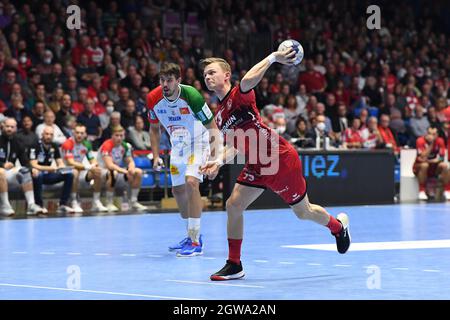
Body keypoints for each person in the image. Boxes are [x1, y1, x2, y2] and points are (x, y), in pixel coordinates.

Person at [199, 52, 350, 281]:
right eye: (205, 75)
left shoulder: (240, 95)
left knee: (303, 212)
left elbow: (249, 79)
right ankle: (234, 263)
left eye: (212, 72)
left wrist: (273, 57)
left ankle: (337, 227)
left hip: (280, 161)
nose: (207, 77)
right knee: (233, 205)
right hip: (257, 165)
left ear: (226, 75)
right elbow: (238, 146)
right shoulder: (219, 115)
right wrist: (219, 161)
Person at [147, 62, 222, 257]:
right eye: (162, 80)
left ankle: (195, 240)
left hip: (199, 140)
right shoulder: (153, 98)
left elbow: (213, 126)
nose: (165, 84)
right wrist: (155, 156)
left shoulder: (192, 96)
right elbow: (154, 130)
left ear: (178, 81)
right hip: (178, 146)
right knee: (178, 191)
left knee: (191, 182)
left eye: (169, 80)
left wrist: (215, 158)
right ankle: (190, 233)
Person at [0, 118, 46, 216]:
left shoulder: (17, 142)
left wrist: (32, 168)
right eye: (7, 126)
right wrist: (2, 165)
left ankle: (31, 205)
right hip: (1, 171)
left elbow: (24, 160)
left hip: (8, 174)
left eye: (12, 127)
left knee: (25, 171)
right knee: (1, 171)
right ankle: (4, 206)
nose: (9, 129)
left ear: (16, 128)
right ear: (2, 126)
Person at [97, 125, 147, 212]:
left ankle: (133, 201)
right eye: (117, 135)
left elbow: (130, 161)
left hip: (118, 171)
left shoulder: (125, 146)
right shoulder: (107, 145)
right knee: (113, 173)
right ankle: (109, 202)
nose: (119, 138)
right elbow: (110, 165)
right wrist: (125, 171)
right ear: (112, 135)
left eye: (121, 135)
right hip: (102, 172)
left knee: (138, 172)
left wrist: (131, 168)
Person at [61, 124, 109, 213]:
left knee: (97, 171)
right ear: (73, 133)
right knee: (74, 172)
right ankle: (74, 201)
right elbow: (70, 163)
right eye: (77, 133)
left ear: (85, 134)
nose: (79, 135)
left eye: (82, 133)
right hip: (64, 170)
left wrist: (95, 165)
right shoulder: (67, 144)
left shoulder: (87, 144)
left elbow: (92, 159)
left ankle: (96, 201)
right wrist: (88, 167)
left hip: (80, 170)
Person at [29, 126, 75, 214]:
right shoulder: (35, 145)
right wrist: (50, 168)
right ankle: (39, 205)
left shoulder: (54, 145)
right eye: (46, 134)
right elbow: (33, 164)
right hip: (37, 174)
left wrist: (62, 167)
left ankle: (63, 204)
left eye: (51, 134)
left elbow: (59, 162)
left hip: (49, 174)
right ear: (42, 134)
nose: (49, 136)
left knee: (69, 174)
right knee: (38, 174)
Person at [413, 127, 450, 201]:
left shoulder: (440, 141)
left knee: (444, 166)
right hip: (419, 167)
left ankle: (447, 190)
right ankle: (421, 191)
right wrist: (431, 144)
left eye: (434, 134)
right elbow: (422, 157)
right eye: (429, 133)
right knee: (424, 165)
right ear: (426, 133)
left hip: (434, 167)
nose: (431, 136)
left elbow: (441, 158)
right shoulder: (420, 141)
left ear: (437, 135)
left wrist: (431, 161)